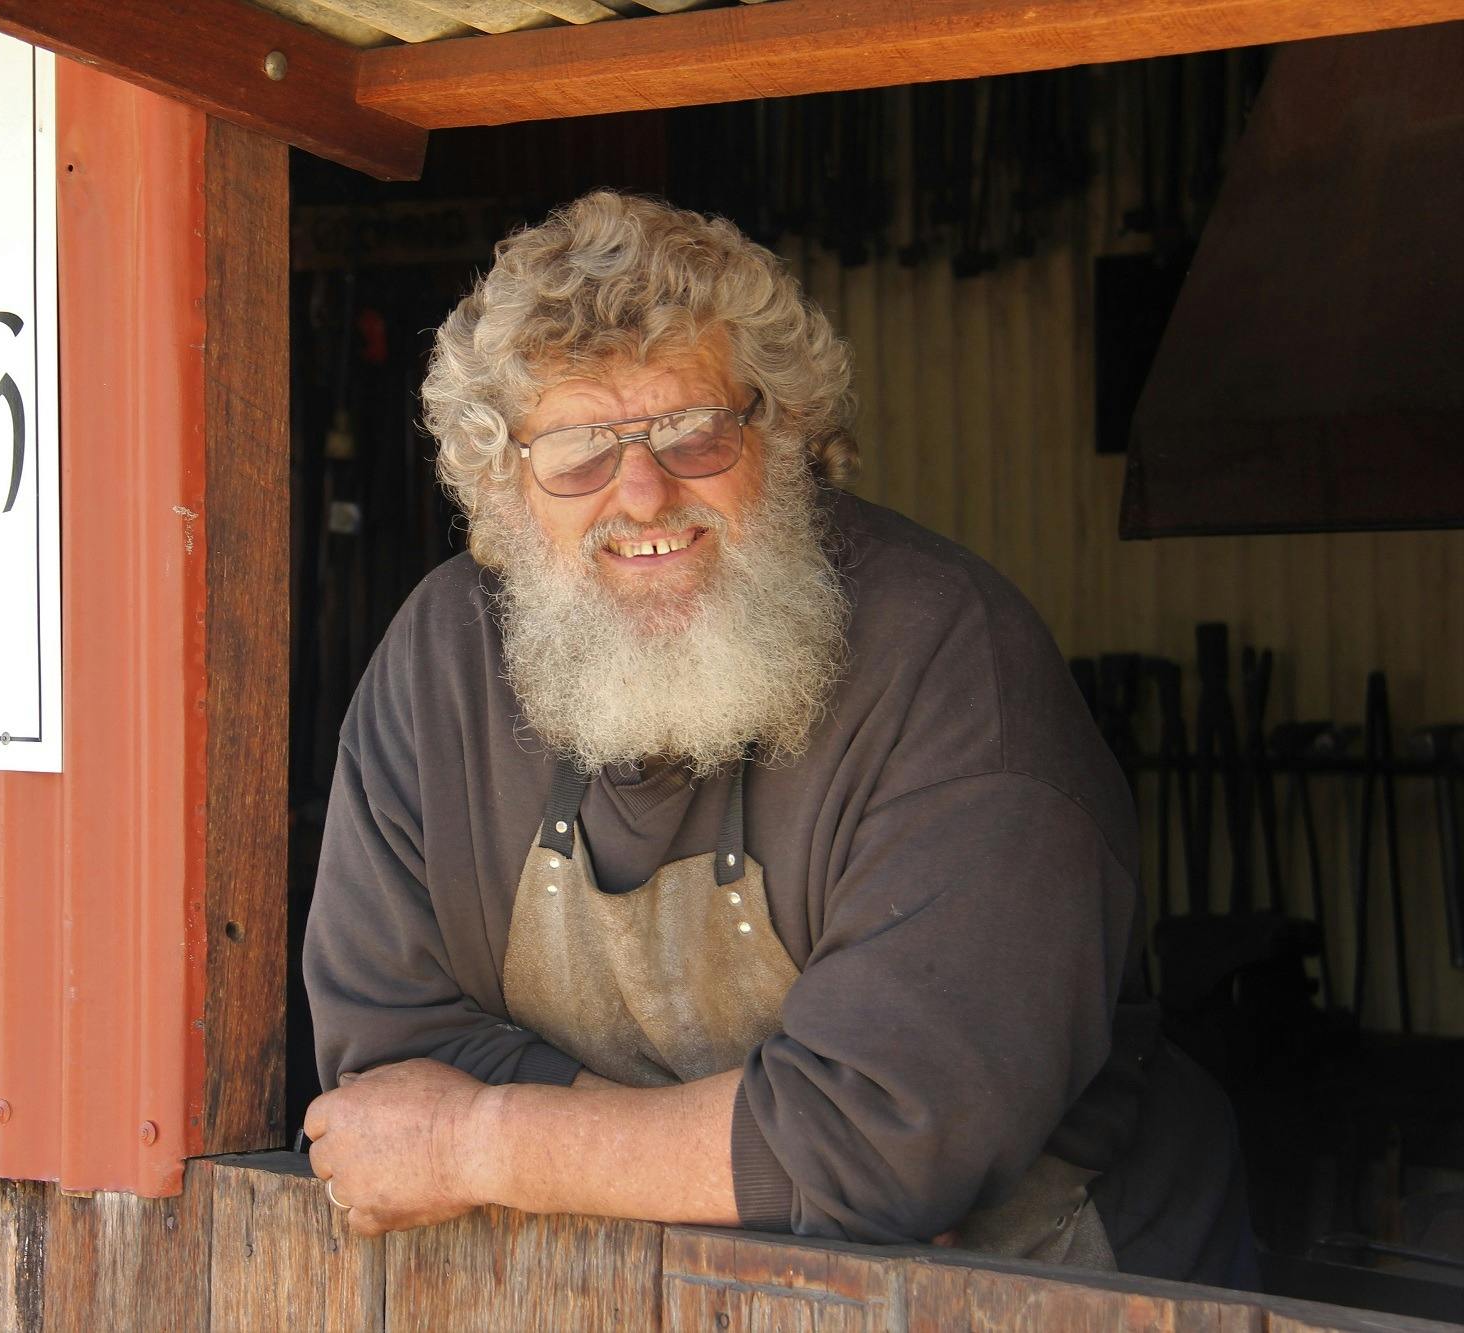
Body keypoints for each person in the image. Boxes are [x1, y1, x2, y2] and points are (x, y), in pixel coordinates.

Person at [300, 191, 1252, 1284]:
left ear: (785, 432)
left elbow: (890, 1139)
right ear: (502, 483)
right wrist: (783, 1177)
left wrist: (477, 1142)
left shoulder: (954, 664)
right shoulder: (439, 663)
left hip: (1058, 1286)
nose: (643, 494)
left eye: (693, 431)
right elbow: (388, 1062)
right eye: (575, 450)